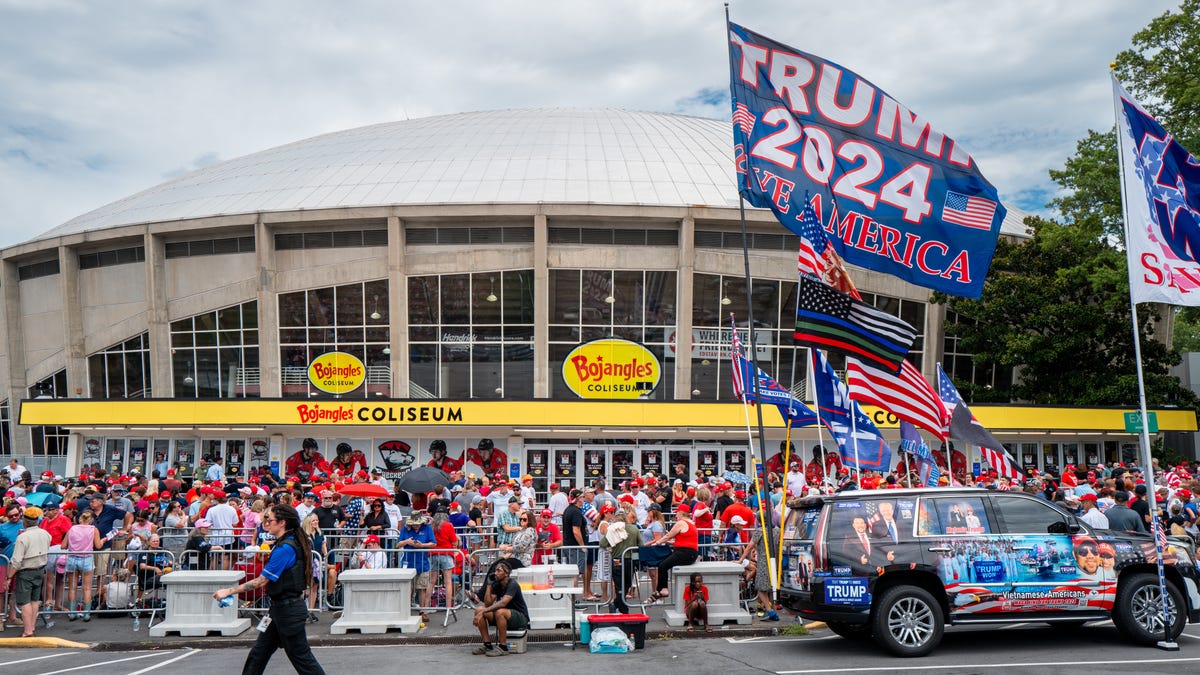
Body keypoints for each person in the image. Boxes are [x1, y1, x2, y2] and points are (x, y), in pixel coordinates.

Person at [214, 504, 325, 675]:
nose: (266, 523)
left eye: (269, 520)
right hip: (279, 610)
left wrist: (228, 591)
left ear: (282, 523)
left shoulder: (285, 548)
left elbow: (261, 581)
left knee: (302, 659)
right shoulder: (287, 543)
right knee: (258, 654)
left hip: (288, 611)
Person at [5, 507, 51, 637]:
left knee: (25, 602)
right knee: (35, 600)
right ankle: (32, 628)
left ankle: (28, 630)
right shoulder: (45, 534)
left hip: (26, 571)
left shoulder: (22, 537)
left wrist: (9, 577)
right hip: (40, 569)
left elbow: (16, 561)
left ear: (24, 521)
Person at [471, 560, 529, 658]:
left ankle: (503, 647)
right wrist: (489, 585)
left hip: (520, 617)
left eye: (499, 571)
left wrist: (485, 611)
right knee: (479, 610)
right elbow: (488, 603)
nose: (495, 573)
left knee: (499, 612)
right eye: (496, 571)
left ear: (506, 574)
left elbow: (503, 603)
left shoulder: (512, 584)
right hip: (502, 615)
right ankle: (487, 645)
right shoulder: (497, 584)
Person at [650, 503, 699, 601]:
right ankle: (660, 590)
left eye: (677, 514)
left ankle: (663, 590)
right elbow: (682, 540)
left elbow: (669, 535)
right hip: (690, 553)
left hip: (684, 553)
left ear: (681, 514)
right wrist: (670, 543)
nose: (675, 516)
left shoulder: (681, 523)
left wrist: (657, 543)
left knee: (663, 566)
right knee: (663, 563)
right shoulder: (691, 523)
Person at [64, 509, 101, 621]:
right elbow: (98, 546)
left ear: (80, 519)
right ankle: (86, 613)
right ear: (91, 520)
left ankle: (72, 613)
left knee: (72, 587)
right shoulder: (93, 529)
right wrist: (103, 540)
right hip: (86, 558)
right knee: (87, 588)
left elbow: (63, 545)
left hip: (72, 558)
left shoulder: (72, 529)